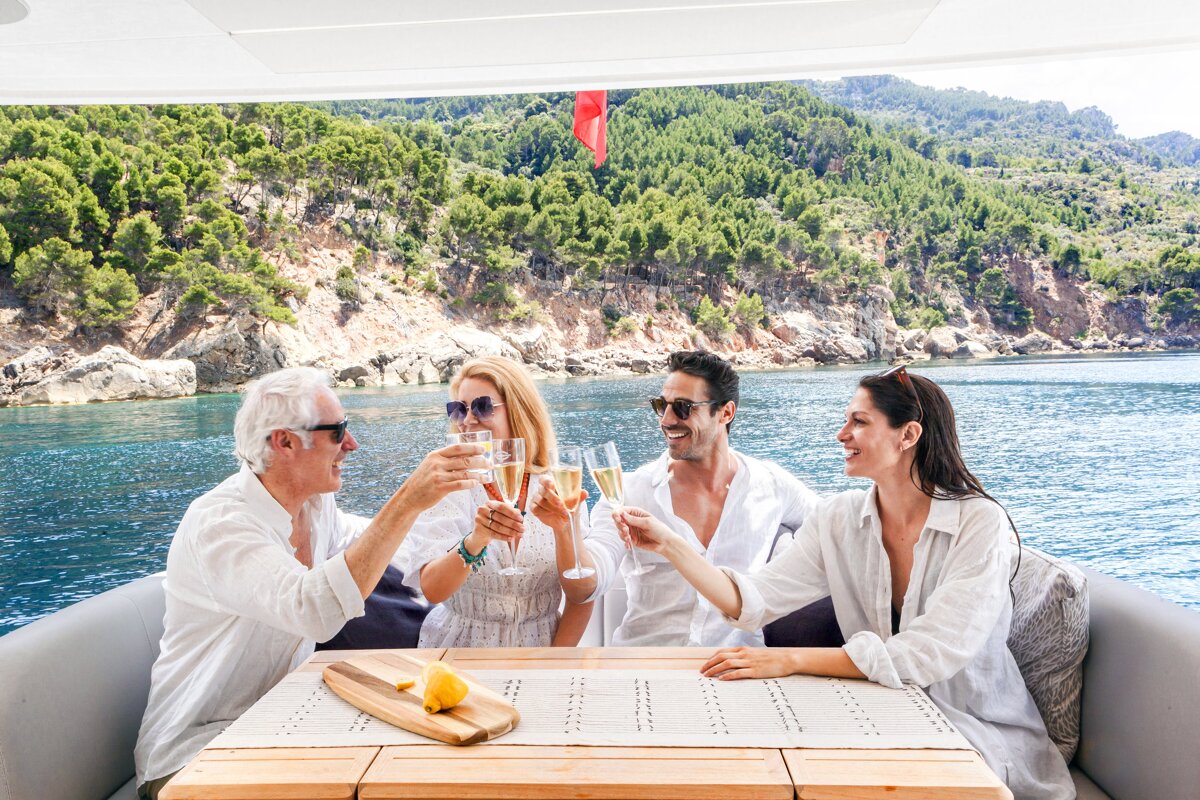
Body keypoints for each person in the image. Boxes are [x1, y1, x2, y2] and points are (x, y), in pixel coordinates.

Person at [614, 366, 1074, 800]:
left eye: (858, 422)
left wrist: (790, 660)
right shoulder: (839, 519)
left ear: (907, 435)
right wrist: (671, 545)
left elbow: (930, 652)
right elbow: (754, 600)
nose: (841, 435)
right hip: (875, 711)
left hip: (973, 725)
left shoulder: (980, 522)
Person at [134, 367, 487, 800]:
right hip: (193, 756)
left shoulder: (316, 506)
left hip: (277, 727)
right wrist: (408, 497)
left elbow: (384, 545)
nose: (352, 445)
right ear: (284, 441)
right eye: (338, 432)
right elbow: (314, 613)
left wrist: (478, 532)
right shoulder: (222, 524)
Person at [557, 350, 819, 646]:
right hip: (645, 670)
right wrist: (564, 526)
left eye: (683, 408)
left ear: (725, 413)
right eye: (661, 405)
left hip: (736, 672)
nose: (667, 420)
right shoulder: (628, 491)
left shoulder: (773, 486)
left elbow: (834, 529)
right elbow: (588, 586)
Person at [399, 356, 594, 647]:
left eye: (482, 406)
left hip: (541, 650)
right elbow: (433, 590)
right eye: (458, 409)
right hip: (459, 651)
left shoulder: (557, 482)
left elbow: (581, 596)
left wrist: (554, 664)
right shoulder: (447, 483)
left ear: (518, 410)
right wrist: (475, 541)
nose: (467, 420)